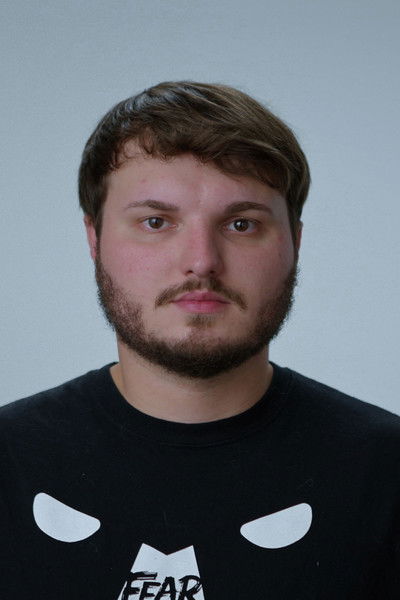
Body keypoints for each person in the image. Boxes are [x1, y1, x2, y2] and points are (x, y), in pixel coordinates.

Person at [0, 81, 398, 600]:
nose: (202, 261)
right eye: (156, 222)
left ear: (295, 243)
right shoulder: (10, 461)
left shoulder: (385, 473)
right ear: (94, 240)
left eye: (241, 224)